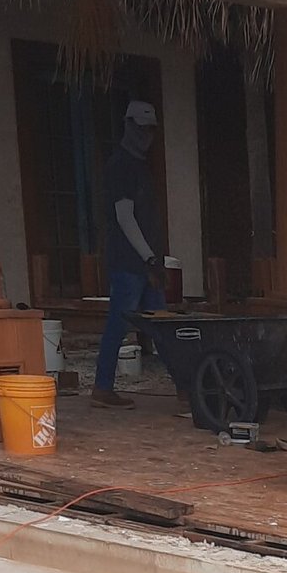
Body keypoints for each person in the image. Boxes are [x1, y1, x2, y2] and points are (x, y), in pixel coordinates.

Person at [92, 98, 163, 408]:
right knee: (119, 324)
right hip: (128, 261)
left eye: (150, 130)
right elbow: (125, 217)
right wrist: (148, 257)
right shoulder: (120, 166)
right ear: (128, 125)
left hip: (146, 260)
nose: (146, 136)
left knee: (162, 325)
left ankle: (186, 387)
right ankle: (102, 387)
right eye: (141, 128)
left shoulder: (140, 167)